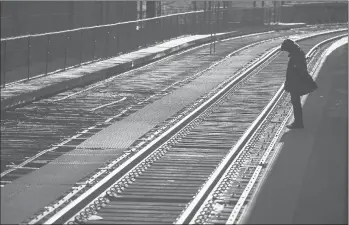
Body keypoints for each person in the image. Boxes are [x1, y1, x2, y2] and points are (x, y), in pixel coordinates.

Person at [280, 39, 318, 129]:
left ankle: (298, 123)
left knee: (296, 103)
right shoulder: (297, 53)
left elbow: (298, 71)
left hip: (296, 83)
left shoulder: (296, 56)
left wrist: (293, 83)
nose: (286, 51)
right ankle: (298, 122)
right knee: (295, 103)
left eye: (286, 50)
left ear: (289, 48)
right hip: (296, 82)